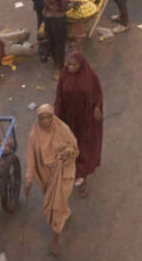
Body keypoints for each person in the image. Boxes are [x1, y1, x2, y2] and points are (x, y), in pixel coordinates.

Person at [25, 104, 79, 257]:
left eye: (48, 117)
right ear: (38, 119)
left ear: (53, 117)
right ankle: (64, 213)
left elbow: (74, 147)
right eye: (42, 118)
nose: (46, 121)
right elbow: (31, 160)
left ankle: (56, 237)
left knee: (55, 207)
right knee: (56, 203)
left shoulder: (62, 129)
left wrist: (68, 152)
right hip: (46, 176)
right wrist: (28, 180)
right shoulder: (34, 136)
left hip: (63, 172)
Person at [55, 50, 104, 198]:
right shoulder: (64, 76)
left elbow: (98, 94)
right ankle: (75, 173)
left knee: (84, 147)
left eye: (74, 65)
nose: (70, 67)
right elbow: (59, 97)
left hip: (86, 120)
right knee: (71, 146)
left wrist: (97, 108)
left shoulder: (89, 77)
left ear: (80, 65)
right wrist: (56, 117)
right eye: (69, 64)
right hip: (69, 118)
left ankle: (82, 178)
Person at [42, 0, 74, 69]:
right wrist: (73, 4)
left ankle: (54, 60)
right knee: (60, 43)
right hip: (58, 20)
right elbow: (63, 8)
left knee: (51, 40)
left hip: (46, 16)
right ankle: (60, 66)